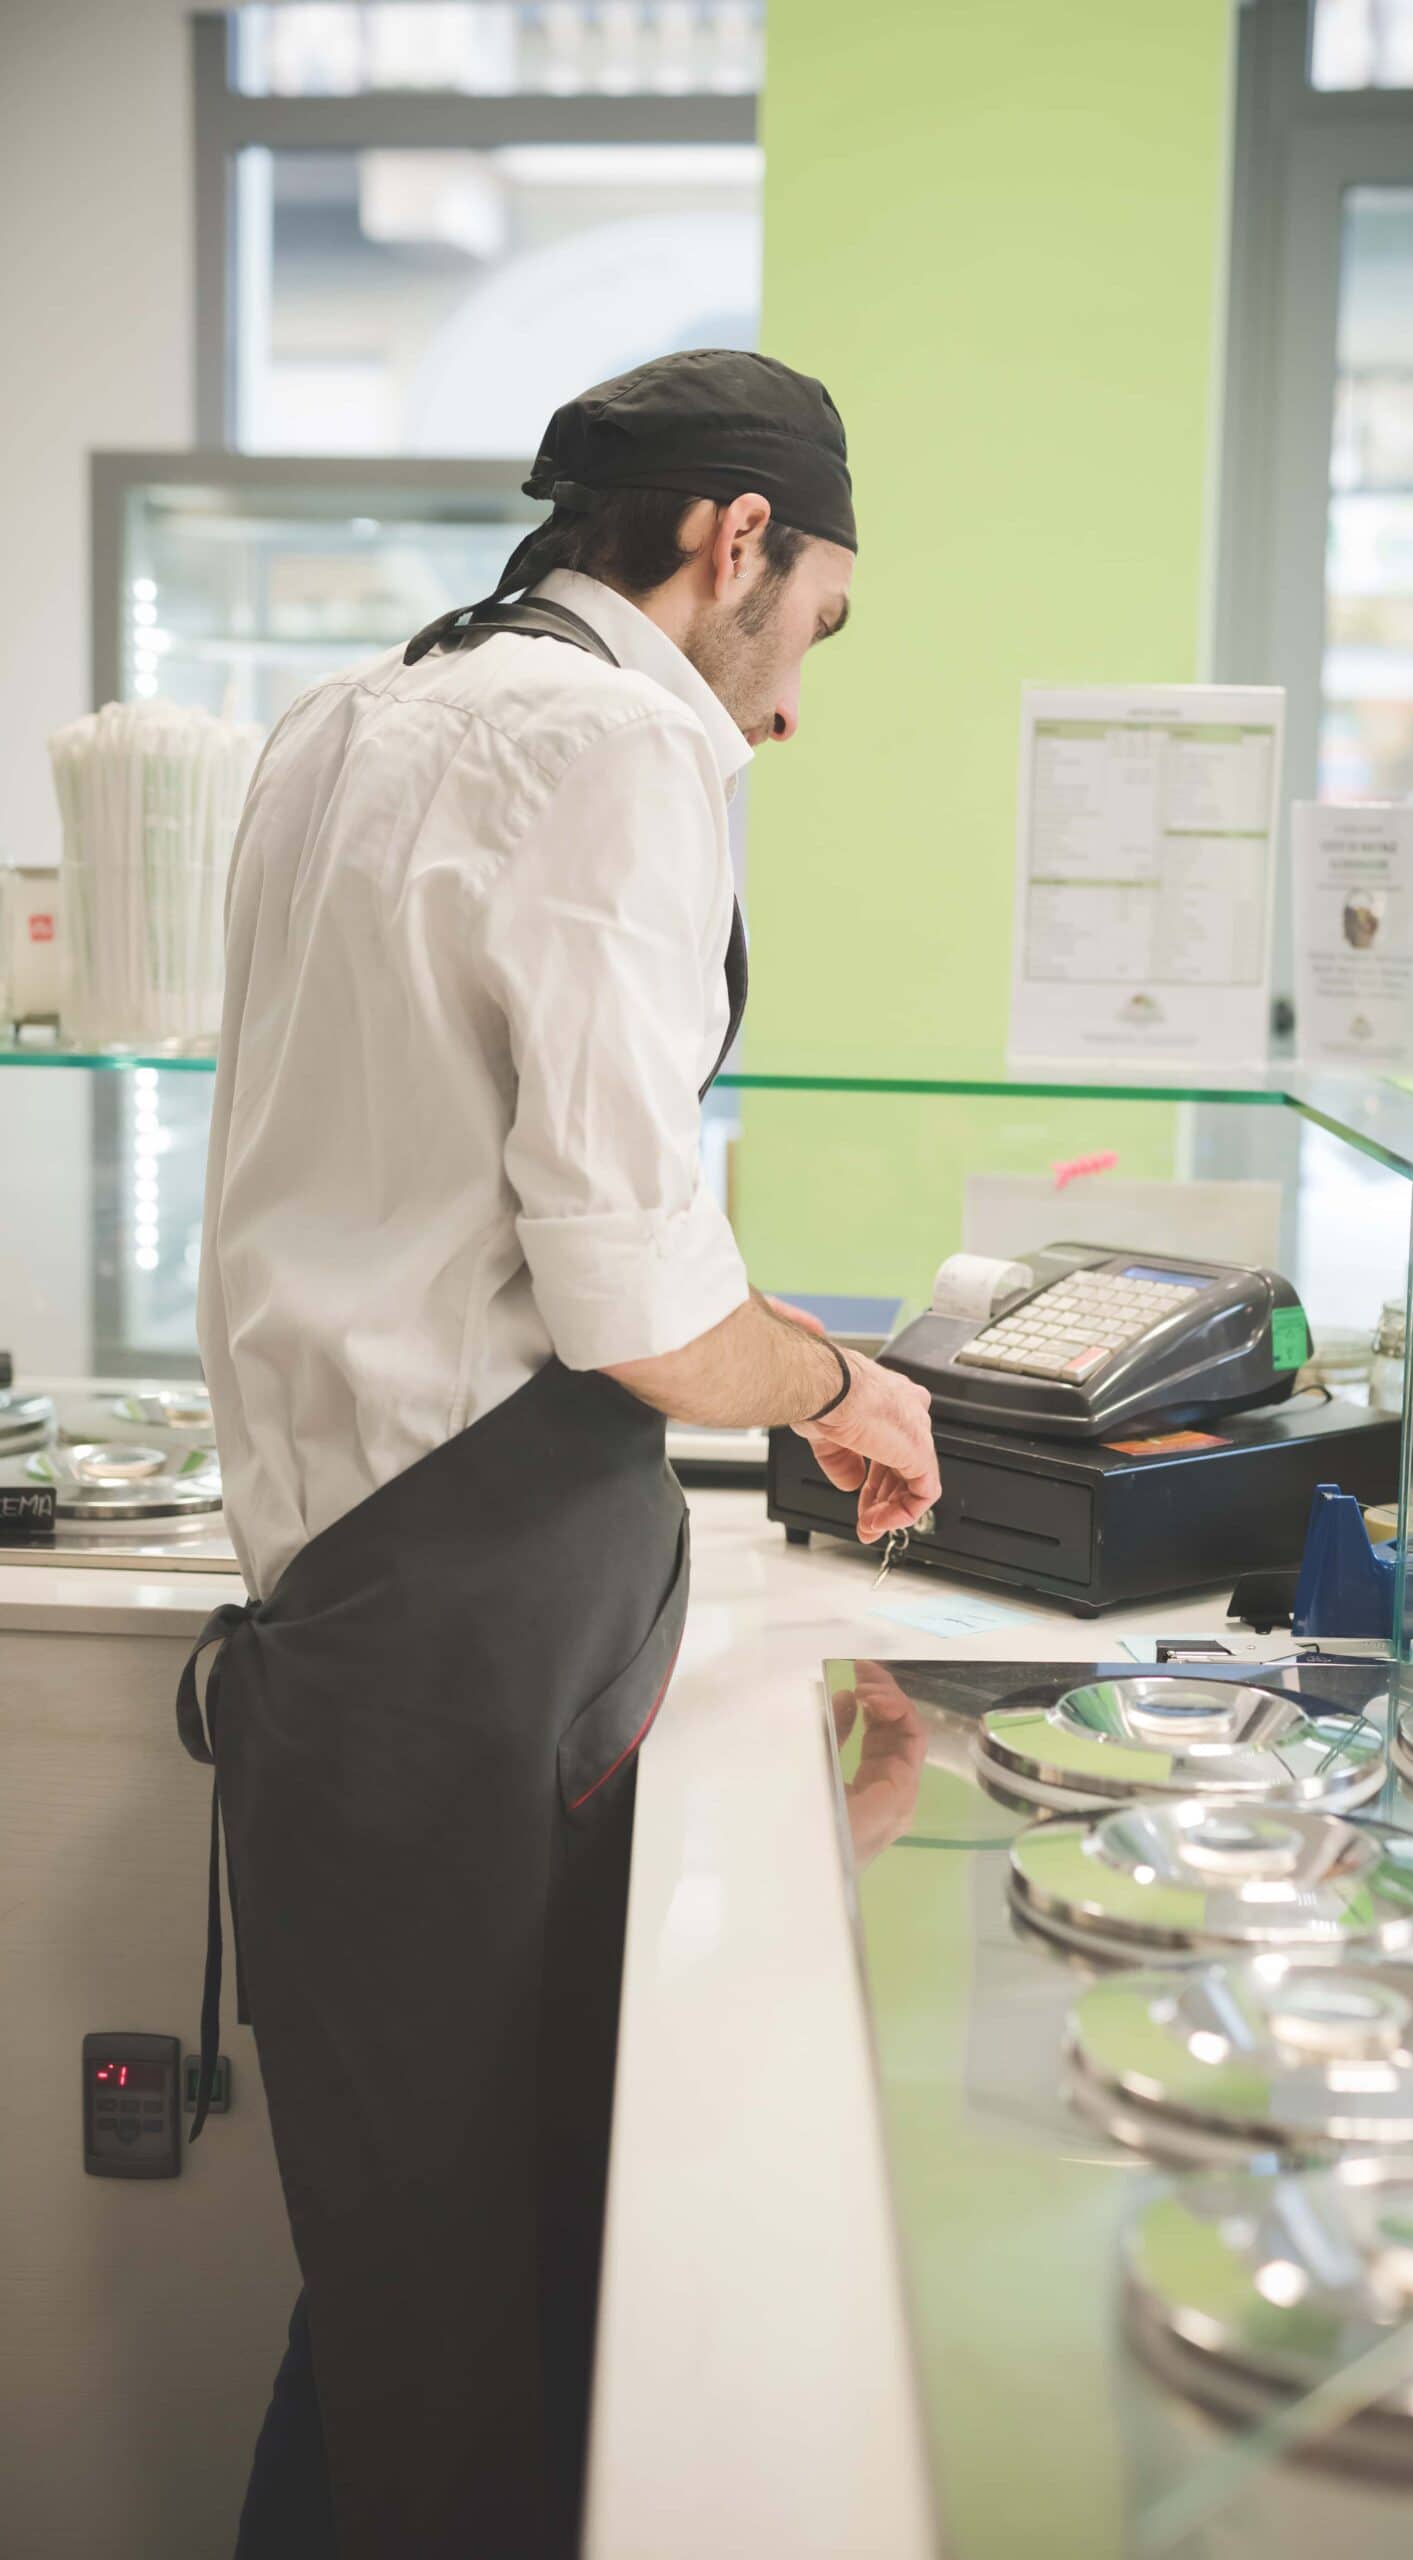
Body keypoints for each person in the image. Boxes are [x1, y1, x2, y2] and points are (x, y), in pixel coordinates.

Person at [177, 348, 940, 2560]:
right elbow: (629, 1308)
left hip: (350, 1628)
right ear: (733, 544)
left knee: (403, 2294)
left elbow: (494, 1200)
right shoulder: (622, 743)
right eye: (813, 625)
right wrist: (837, 1383)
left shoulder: (358, 710)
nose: (789, 701)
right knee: (475, 2348)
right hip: (456, 1657)